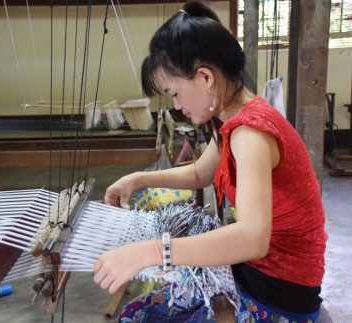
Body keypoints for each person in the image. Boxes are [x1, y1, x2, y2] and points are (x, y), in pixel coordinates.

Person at [93, 0, 327, 321]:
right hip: (256, 277)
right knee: (141, 312)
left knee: (140, 317)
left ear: (205, 77)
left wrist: (152, 252)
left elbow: (252, 238)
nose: (176, 105)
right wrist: (137, 179)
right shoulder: (233, 117)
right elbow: (201, 172)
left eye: (174, 92)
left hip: (278, 294)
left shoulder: (250, 134)